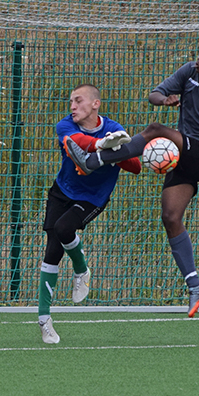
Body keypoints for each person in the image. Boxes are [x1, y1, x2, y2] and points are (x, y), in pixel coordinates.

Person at [64, 34, 199, 317]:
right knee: (170, 217)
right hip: (181, 156)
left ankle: (95, 160)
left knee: (155, 129)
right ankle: (194, 285)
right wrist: (165, 99)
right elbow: (154, 94)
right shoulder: (189, 72)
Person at [38, 84, 141, 344]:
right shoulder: (65, 126)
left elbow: (136, 166)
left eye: (78, 100)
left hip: (93, 198)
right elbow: (80, 143)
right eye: (70, 101)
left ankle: (81, 270)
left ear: (95, 104)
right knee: (52, 250)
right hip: (62, 191)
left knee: (64, 229)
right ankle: (44, 320)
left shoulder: (114, 129)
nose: (72, 106)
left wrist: (115, 153)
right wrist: (103, 146)